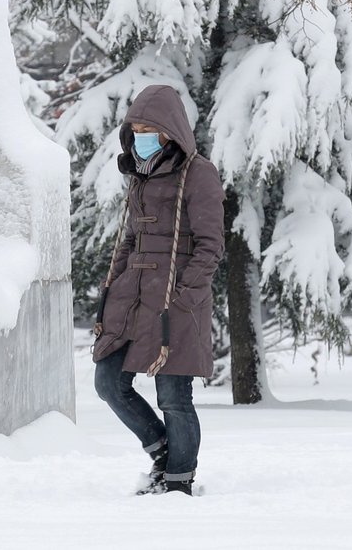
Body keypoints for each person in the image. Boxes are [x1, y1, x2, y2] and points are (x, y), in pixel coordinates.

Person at [91, 84, 225, 496]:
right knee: (108, 382)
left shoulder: (198, 173)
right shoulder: (138, 171)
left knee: (173, 397)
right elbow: (130, 239)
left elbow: (210, 245)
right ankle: (164, 451)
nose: (142, 134)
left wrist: (185, 295)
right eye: (137, 127)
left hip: (176, 300)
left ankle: (178, 481)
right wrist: (111, 288)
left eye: (151, 127)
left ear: (171, 131)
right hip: (133, 296)